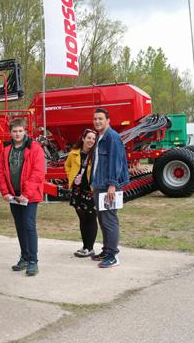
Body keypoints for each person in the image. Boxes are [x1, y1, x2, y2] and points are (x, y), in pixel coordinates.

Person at [0, 119, 45, 276]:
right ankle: (24, 257)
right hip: (13, 195)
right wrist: (5, 192)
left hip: (29, 197)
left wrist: (26, 194)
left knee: (29, 226)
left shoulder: (35, 148)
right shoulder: (6, 149)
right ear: (10, 132)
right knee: (20, 227)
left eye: (20, 131)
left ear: (25, 131)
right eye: (14, 131)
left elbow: (38, 173)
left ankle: (33, 261)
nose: (17, 134)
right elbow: (1, 172)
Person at [90, 108, 129, 268]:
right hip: (99, 184)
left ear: (108, 120)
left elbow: (116, 162)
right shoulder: (100, 137)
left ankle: (113, 255)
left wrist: (112, 185)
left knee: (110, 220)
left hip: (109, 186)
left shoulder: (112, 138)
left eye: (100, 119)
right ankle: (106, 250)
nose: (97, 121)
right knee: (103, 219)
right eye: (95, 119)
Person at [64, 129, 98, 258]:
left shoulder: (96, 155)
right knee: (82, 219)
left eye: (93, 139)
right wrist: (71, 177)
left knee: (91, 219)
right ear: (83, 138)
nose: (91, 141)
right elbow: (67, 166)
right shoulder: (73, 154)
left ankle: (90, 248)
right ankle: (85, 247)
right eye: (88, 138)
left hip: (90, 191)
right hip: (77, 191)